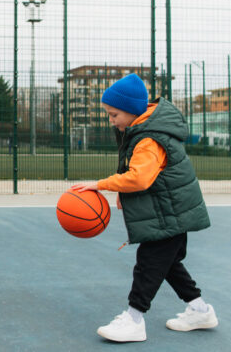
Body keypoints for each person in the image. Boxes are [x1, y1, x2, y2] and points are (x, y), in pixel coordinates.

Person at [70, 73, 216, 343]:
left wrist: (101, 185)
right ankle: (200, 310)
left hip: (168, 214)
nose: (111, 120)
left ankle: (134, 319)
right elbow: (142, 175)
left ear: (132, 111)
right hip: (171, 211)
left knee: (148, 265)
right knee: (168, 264)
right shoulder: (144, 130)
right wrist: (122, 194)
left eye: (114, 115)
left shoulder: (148, 139)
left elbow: (139, 178)